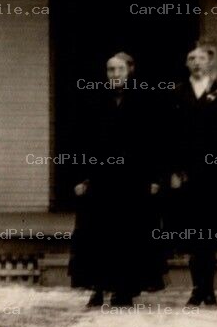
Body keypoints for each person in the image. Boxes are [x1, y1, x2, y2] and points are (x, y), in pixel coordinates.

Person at [69, 51, 163, 308]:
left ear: (130, 70)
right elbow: (82, 142)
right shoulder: (95, 100)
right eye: (110, 69)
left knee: (128, 235)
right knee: (97, 234)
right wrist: (81, 178)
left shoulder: (145, 100)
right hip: (101, 180)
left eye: (120, 69)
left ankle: (124, 290)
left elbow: (155, 143)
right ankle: (97, 287)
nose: (115, 74)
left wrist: (155, 178)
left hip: (133, 181)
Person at [166, 41, 217, 307]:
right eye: (191, 58)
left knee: (210, 235)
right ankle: (196, 289)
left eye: (201, 58)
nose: (196, 62)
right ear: (186, 64)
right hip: (188, 175)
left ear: (210, 62)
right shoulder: (177, 94)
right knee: (191, 233)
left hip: (215, 174)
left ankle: (208, 290)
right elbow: (169, 137)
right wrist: (174, 171)